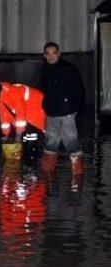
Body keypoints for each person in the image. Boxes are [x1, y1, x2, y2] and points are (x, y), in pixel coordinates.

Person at [38, 42, 85, 175]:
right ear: (44, 55)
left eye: (54, 53)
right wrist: (46, 105)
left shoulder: (69, 69)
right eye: (48, 54)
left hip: (66, 113)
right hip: (51, 113)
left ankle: (78, 173)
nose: (51, 56)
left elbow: (79, 89)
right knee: (51, 142)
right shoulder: (44, 69)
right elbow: (44, 88)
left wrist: (73, 108)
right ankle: (47, 173)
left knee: (71, 141)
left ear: (58, 54)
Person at [0, 81, 45, 164]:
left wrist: (18, 136)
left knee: (30, 135)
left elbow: (20, 113)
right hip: (28, 112)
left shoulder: (14, 92)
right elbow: (4, 117)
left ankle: (30, 164)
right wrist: (6, 135)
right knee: (23, 136)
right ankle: (25, 163)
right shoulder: (1, 99)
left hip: (37, 109)